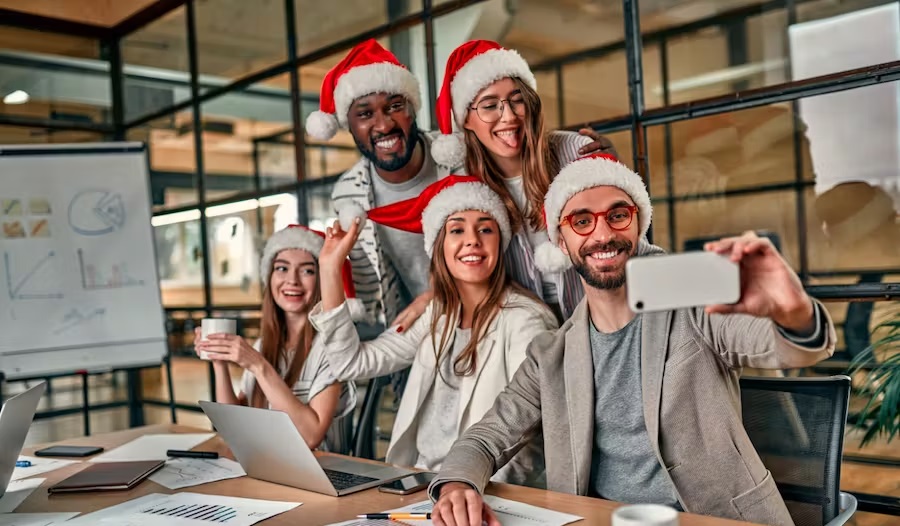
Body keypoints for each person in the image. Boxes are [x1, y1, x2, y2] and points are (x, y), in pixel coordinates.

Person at [428, 153, 837, 526]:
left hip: (716, 519)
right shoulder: (551, 354)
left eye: (618, 215)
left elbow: (785, 346)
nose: (603, 233)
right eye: (582, 221)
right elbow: (486, 437)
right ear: (561, 241)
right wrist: (456, 485)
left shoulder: (693, 304)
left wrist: (793, 311)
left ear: (639, 223)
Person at [308, 176, 558, 484]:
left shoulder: (526, 320)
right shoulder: (435, 315)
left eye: (485, 229)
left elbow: (530, 435)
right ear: (438, 245)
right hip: (419, 483)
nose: (472, 240)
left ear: (500, 241)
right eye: (457, 230)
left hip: (483, 489)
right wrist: (330, 269)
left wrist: (470, 489)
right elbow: (350, 363)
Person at [430, 40, 618, 321]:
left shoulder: (576, 153)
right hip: (524, 327)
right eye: (489, 105)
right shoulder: (464, 187)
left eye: (517, 100)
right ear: (466, 119)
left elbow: (625, 237)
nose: (508, 116)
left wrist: (614, 171)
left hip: (601, 315)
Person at [194, 226, 360, 453]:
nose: (292, 280)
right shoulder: (264, 344)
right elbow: (235, 426)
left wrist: (258, 365)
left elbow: (311, 436)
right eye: (282, 268)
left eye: (307, 271)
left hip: (321, 470)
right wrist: (219, 362)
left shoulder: (333, 347)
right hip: (266, 463)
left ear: (323, 279)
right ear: (269, 277)